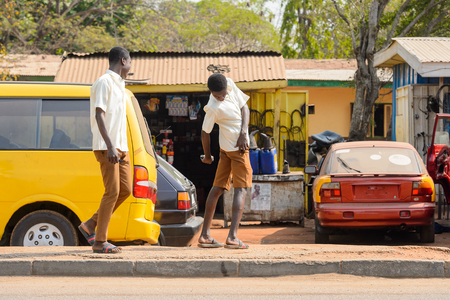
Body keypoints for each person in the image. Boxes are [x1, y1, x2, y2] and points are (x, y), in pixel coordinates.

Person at [78, 46, 132, 254]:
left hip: (121, 147)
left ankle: (90, 224)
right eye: (130, 61)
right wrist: (110, 146)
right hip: (107, 147)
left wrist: (119, 147)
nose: (131, 65)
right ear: (123, 61)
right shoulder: (104, 82)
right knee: (112, 192)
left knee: (125, 190)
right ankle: (100, 241)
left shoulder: (120, 84)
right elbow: (99, 115)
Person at [198, 73, 252, 249]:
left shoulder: (229, 83)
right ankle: (233, 237)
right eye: (217, 95)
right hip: (235, 151)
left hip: (235, 145)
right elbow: (205, 132)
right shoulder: (212, 107)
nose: (221, 97)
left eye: (223, 94)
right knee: (241, 189)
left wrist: (244, 132)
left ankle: (206, 236)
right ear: (211, 93)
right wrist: (207, 156)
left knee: (218, 187)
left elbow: (245, 107)